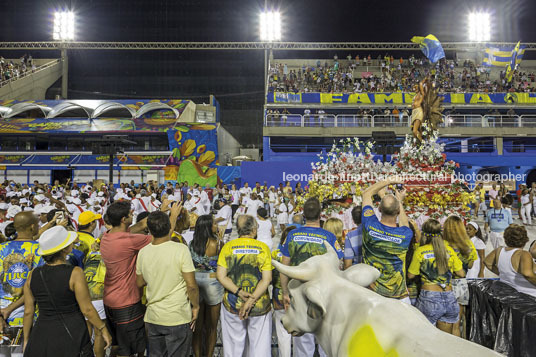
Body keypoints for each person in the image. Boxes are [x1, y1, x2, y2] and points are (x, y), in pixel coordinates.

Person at [22, 226, 112, 356]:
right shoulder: (75, 273)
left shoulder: (33, 274)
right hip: (72, 333)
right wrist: (103, 328)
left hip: (42, 334)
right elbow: (87, 309)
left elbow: (28, 312)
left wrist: (26, 341)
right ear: (65, 249)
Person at [280, 197, 343, 356]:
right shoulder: (329, 237)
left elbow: (284, 267)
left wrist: (285, 292)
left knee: (303, 344)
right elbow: (339, 265)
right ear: (320, 214)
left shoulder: (292, 235)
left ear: (303, 214)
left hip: (299, 294)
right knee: (325, 341)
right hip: (324, 295)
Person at [136, 209, 199, 357]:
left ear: (149, 230)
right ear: (169, 226)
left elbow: (139, 282)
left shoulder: (143, 252)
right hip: (177, 316)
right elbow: (191, 286)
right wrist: (196, 306)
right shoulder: (181, 250)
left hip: (153, 317)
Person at [100, 201, 153, 357]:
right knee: (129, 350)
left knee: (117, 346)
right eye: (130, 215)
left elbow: (137, 227)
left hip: (110, 300)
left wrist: (160, 210)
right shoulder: (130, 241)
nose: (133, 216)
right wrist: (174, 216)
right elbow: (163, 236)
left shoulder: (107, 236)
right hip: (126, 303)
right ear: (123, 219)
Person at [217, 215, 272, 357]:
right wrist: (251, 300)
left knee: (233, 348)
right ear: (254, 230)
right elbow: (266, 280)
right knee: (260, 348)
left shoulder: (228, 247)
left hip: (233, 303)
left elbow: (221, 276)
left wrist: (240, 292)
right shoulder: (263, 248)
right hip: (259, 304)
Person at [408, 219, 465, 334]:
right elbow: (461, 273)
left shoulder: (420, 251)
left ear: (424, 234)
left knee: (427, 339)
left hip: (429, 297)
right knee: (446, 340)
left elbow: (411, 275)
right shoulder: (448, 250)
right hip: (449, 296)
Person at [361, 179, 413, 302]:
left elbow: (366, 194)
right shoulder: (405, 234)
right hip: (399, 298)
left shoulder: (370, 226)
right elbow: (404, 222)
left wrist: (389, 180)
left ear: (378, 209)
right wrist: (399, 200)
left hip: (374, 296)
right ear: (398, 211)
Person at [0, 212, 44, 331]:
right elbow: (39, 286)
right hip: (30, 318)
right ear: (32, 226)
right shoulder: (41, 251)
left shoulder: (1, 249)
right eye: (38, 224)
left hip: (2, 317)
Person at [189, 214, 224, 357]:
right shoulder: (216, 243)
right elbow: (222, 264)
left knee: (197, 327)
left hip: (196, 282)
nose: (216, 226)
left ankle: (197, 355)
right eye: (214, 224)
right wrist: (221, 239)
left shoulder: (192, 243)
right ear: (209, 227)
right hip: (212, 282)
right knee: (212, 327)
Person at [443, 215, 477, 338]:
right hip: (460, 285)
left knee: (443, 323)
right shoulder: (468, 244)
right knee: (456, 324)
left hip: (443, 285)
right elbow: (471, 265)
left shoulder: (441, 243)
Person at [484, 224, 536, 297]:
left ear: (506, 238)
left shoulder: (499, 250)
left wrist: (504, 274)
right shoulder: (523, 254)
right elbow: (527, 274)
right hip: (528, 296)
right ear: (525, 239)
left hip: (507, 294)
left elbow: (487, 262)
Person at [272, 226, 295, 357]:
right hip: (296, 298)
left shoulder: (274, 254)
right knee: (299, 336)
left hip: (278, 298)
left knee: (282, 335)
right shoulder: (298, 254)